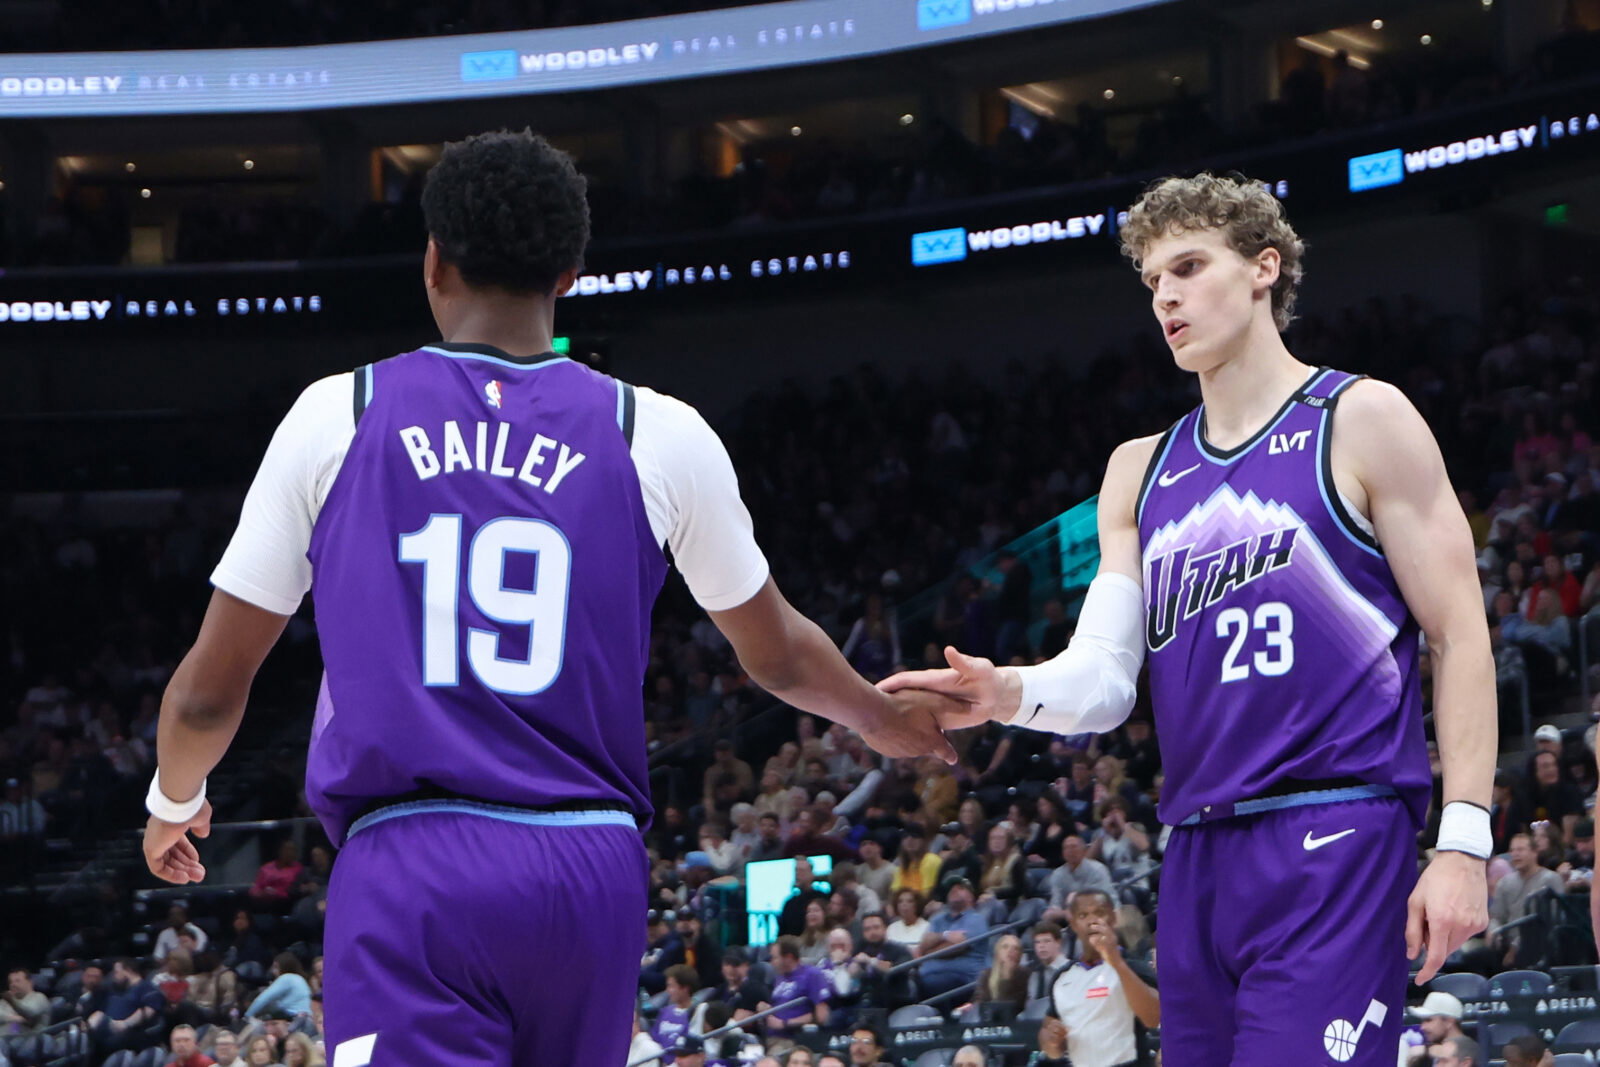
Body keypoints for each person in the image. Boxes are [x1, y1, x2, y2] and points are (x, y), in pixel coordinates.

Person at [138, 129, 957, 1067]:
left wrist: (175, 796)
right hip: (589, 865)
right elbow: (776, 652)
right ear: (571, 273)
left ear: (433, 259)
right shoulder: (657, 430)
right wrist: (875, 717)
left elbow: (207, 691)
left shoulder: (343, 412)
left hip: (417, 864)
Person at [881, 173, 1494, 1065]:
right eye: (1151, 280)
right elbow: (1103, 672)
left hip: (1335, 829)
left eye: (1189, 266)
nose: (1164, 294)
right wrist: (1007, 689)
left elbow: (1460, 634)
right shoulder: (1138, 469)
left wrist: (1465, 842)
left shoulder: (1359, 417)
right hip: (1197, 851)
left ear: (1263, 269)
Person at [1490, 834, 1565, 968]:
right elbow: (1496, 916)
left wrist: (1516, 946)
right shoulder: (1505, 882)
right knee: (1474, 957)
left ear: (1534, 852)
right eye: (1512, 850)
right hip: (1506, 942)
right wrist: (1493, 932)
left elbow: (1552, 919)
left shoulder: (1551, 879)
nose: (1515, 854)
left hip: (1539, 943)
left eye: (1520, 850)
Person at [915, 879, 987, 997]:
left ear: (971, 897)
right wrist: (945, 935)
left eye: (961, 888)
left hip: (960, 978)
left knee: (927, 985)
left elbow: (958, 947)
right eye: (951, 888)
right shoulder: (937, 919)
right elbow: (923, 946)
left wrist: (930, 949)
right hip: (926, 975)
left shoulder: (976, 919)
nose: (954, 890)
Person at [762, 937, 830, 1039]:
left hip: (793, 1039)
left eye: (775, 958)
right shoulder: (779, 978)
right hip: (770, 1037)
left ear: (789, 958)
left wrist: (784, 1023)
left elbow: (821, 1016)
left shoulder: (811, 975)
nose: (772, 962)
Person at [1043, 835, 1114, 924]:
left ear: (1084, 851)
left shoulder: (1098, 869)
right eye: (1066, 848)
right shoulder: (1058, 874)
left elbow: (1103, 900)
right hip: (1070, 919)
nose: (1070, 851)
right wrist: (1063, 913)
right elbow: (1055, 906)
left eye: (1074, 847)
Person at [851, 912, 913, 1009]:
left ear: (885, 928)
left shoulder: (899, 950)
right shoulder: (859, 951)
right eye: (867, 929)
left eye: (876, 927)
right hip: (865, 1004)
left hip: (896, 1003)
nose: (872, 932)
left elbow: (895, 969)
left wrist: (871, 961)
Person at [1403, 992, 1466, 1065]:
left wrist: (1425, 1050)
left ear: (1448, 1022)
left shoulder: (1466, 1050)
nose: (1422, 1027)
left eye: (1428, 1020)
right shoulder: (1428, 1058)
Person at [245, 954, 312, 1021]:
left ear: (284, 967)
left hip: (294, 1018)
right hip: (307, 1018)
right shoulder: (300, 978)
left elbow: (263, 999)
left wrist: (247, 1016)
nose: (273, 971)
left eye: (276, 967)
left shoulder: (286, 978)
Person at [973, 933, 1028, 1010]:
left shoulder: (1024, 975)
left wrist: (1007, 975)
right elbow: (980, 1003)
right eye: (1005, 947)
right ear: (997, 952)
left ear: (1020, 955)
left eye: (1016, 948)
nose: (1010, 951)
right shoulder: (986, 974)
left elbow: (1015, 1006)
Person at [1025, 922, 1068, 1003]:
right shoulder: (1035, 973)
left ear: (1058, 943)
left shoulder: (1070, 970)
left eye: (1046, 941)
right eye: (1037, 942)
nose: (1041, 946)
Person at [0, 967, 49, 1033]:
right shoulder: (5, 1001)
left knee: (14, 1026)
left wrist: (12, 1002)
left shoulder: (39, 997)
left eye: (17, 981)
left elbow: (30, 1014)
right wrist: (12, 1018)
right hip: (7, 1036)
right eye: (10, 982)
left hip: (30, 1038)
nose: (13, 985)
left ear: (30, 982)